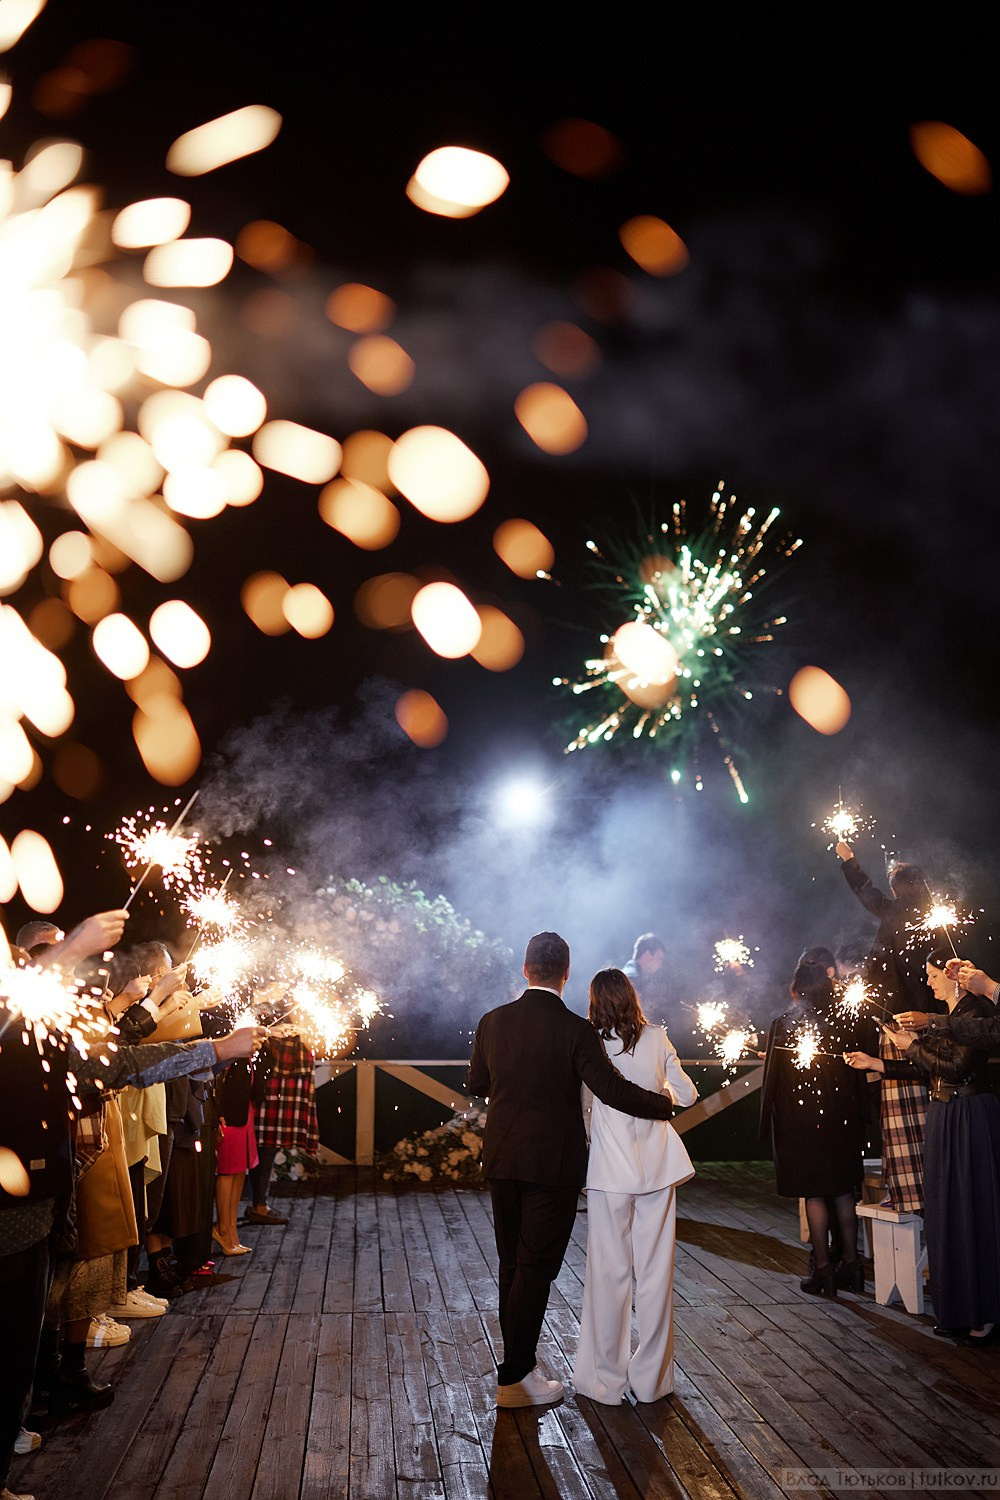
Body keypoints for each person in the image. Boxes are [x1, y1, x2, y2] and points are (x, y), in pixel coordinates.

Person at [0, 909, 261, 1498]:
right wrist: (74, 947)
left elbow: (116, 1065)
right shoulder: (12, 1019)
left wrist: (217, 1049)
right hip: (8, 1215)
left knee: (17, 1346)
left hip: (36, 1209)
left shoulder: (44, 1028)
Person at [466, 931, 675, 1410]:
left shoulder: (492, 1021)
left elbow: (477, 1082)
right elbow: (611, 1090)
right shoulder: (576, 1029)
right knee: (535, 1269)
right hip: (552, 1164)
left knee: (512, 1265)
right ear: (566, 973)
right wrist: (662, 1104)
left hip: (502, 1158)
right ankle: (515, 1377)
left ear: (525, 969)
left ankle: (517, 1369)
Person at [846, 948, 1000, 1341]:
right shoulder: (949, 1016)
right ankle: (956, 1308)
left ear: (953, 975)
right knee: (945, 1209)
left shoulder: (974, 1011)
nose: (928, 982)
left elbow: (956, 1068)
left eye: (933, 975)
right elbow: (926, 1068)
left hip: (968, 1115)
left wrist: (911, 1044)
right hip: (945, 1114)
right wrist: (878, 1063)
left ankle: (981, 1311)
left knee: (970, 1208)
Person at [572, 969, 697, 1405]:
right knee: (656, 1274)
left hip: (610, 1171)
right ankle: (652, 1381)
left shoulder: (590, 1043)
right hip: (658, 1168)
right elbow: (687, 1095)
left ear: (594, 1001)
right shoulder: (657, 1037)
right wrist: (657, 1090)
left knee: (609, 1273)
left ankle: (605, 1381)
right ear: (632, 997)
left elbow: (585, 1108)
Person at [835, 842, 943, 1212]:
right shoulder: (935, 918)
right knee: (927, 1111)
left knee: (900, 1113)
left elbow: (867, 893)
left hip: (900, 1022)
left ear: (898, 888)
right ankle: (933, 1190)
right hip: (930, 1022)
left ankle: (909, 1193)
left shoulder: (900, 910)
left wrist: (849, 860)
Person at [759, 959, 872, 1297]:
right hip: (843, 1121)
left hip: (803, 1124)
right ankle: (852, 1264)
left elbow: (775, 1083)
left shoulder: (784, 1024)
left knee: (815, 1193)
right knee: (842, 1190)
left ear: (797, 989)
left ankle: (823, 1268)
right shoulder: (846, 1022)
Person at [622, 934, 666, 1004]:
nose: (660, 965)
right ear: (647, 955)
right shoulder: (631, 979)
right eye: (659, 958)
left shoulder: (632, 976)